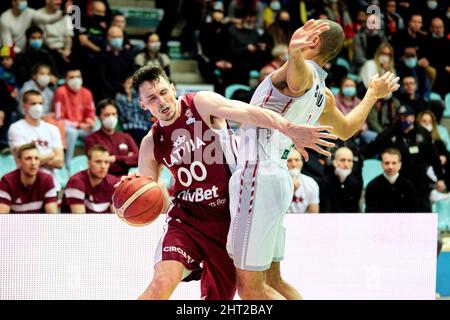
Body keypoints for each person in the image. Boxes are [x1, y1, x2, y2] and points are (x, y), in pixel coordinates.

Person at [124, 65, 335, 300]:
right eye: (152, 98)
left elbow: (250, 112)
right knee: (161, 283)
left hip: (230, 220)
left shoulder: (200, 104)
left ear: (173, 88)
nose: (161, 101)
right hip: (187, 221)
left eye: (163, 92)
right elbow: (150, 194)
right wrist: (131, 193)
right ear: (142, 104)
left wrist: (288, 128)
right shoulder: (151, 143)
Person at [227, 19, 400, 300]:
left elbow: (296, 81)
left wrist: (294, 53)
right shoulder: (324, 94)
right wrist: (371, 94)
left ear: (315, 40)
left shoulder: (303, 72)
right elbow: (346, 129)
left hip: (258, 177)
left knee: (249, 289)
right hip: (278, 178)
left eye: (311, 27)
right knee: (275, 280)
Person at [8, 90, 64, 189]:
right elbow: (24, 160)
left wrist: (34, 159)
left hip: (53, 186)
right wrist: (51, 155)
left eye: (40, 103)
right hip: (27, 185)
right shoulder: (16, 128)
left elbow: (59, 162)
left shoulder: (53, 129)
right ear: (24, 107)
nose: (37, 107)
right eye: (33, 103)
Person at [52, 67, 96, 168]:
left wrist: (90, 121)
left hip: (84, 127)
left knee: (97, 128)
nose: (75, 79)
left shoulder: (87, 92)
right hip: (67, 127)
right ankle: (66, 163)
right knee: (72, 132)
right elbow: (59, 118)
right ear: (66, 80)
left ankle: (95, 161)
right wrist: (79, 125)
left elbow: (91, 112)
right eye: (72, 77)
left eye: (78, 76)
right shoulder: (60, 92)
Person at [84, 99, 138, 177]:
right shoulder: (91, 139)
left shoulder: (126, 137)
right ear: (99, 117)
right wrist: (127, 158)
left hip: (125, 179)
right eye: (106, 115)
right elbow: (98, 163)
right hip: (103, 180)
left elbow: (137, 159)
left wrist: (115, 158)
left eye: (114, 114)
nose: (111, 117)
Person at [0, 143, 58, 214]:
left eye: (36, 158)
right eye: (28, 158)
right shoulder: (7, 181)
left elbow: (53, 216)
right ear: (19, 162)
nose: (33, 163)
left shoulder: (47, 180)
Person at [61, 144, 119, 214]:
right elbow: (79, 221)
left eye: (106, 162)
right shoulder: (75, 182)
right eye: (98, 162)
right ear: (88, 163)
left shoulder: (113, 182)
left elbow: (116, 217)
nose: (103, 166)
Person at [365, 148, 419, 213]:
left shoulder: (408, 186)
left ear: (400, 165)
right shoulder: (372, 186)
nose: (390, 166)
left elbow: (414, 212)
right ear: (382, 164)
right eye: (387, 163)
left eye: (394, 163)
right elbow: (370, 213)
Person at [319, 147, 362, 213]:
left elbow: (355, 209)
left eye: (349, 161)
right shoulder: (325, 183)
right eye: (342, 160)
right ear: (334, 162)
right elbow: (325, 210)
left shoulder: (355, 182)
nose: (346, 164)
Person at [286, 148, 319, 214]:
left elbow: (314, 214)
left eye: (297, 160)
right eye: (289, 160)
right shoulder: (275, 183)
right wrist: (290, 192)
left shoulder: (311, 183)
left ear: (302, 163)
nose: (293, 164)